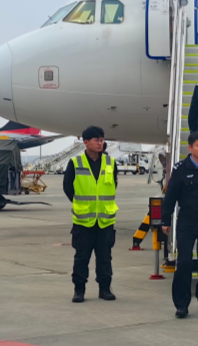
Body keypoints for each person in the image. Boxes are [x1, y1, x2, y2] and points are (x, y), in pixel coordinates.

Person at [161, 131, 198, 318]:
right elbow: (170, 197)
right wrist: (165, 220)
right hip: (187, 223)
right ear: (190, 148)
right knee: (185, 263)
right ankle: (181, 304)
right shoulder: (181, 169)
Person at [63, 126, 119, 303]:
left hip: (105, 220)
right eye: (96, 140)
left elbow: (114, 184)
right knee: (81, 258)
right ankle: (79, 290)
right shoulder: (75, 162)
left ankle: (105, 289)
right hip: (83, 221)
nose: (100, 143)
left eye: (102, 140)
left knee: (105, 258)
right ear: (86, 142)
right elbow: (68, 187)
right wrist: (81, 204)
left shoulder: (111, 163)